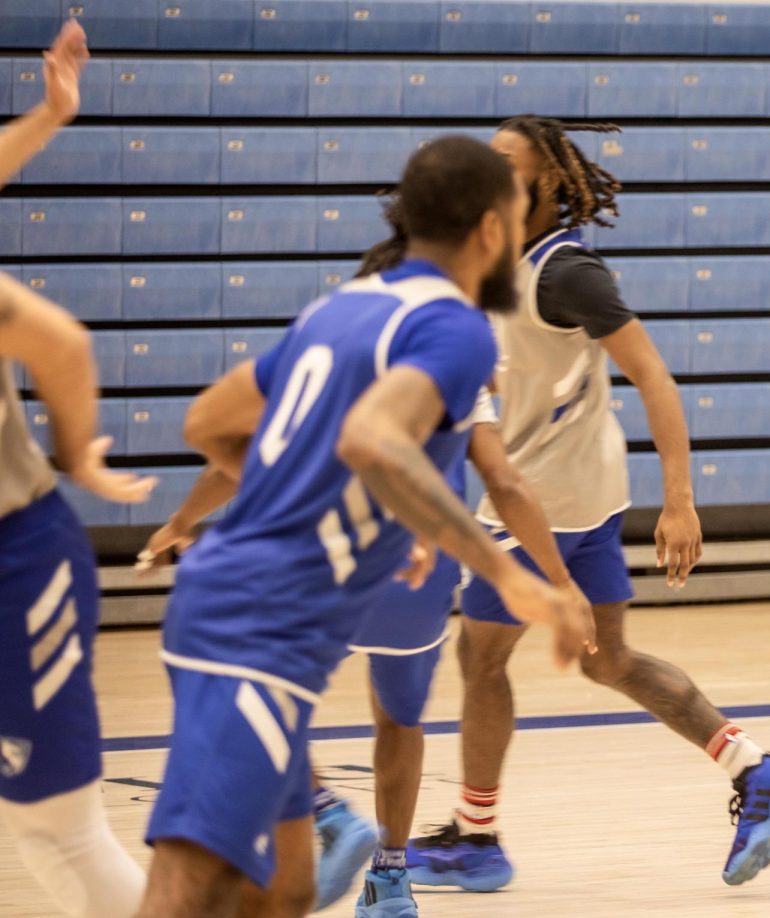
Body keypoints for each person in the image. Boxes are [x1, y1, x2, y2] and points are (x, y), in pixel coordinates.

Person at [133, 136, 589, 918]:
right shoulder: (456, 328)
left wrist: (369, 501)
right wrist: (508, 571)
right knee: (188, 889)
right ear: (491, 230)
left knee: (285, 890)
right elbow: (374, 440)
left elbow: (209, 424)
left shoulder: (340, 308)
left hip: (235, 608)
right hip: (261, 625)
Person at [407, 115, 770, 890]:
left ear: (549, 181)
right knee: (609, 659)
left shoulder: (565, 273)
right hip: (581, 488)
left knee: (481, 654)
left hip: (543, 498)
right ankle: (756, 766)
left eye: (504, 162)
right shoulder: (494, 262)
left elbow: (654, 376)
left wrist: (681, 502)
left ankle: (477, 838)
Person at [0, 20, 159, 918]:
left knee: (59, 831)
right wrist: (49, 116)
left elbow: (59, 344)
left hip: (16, 560)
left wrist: (76, 455)